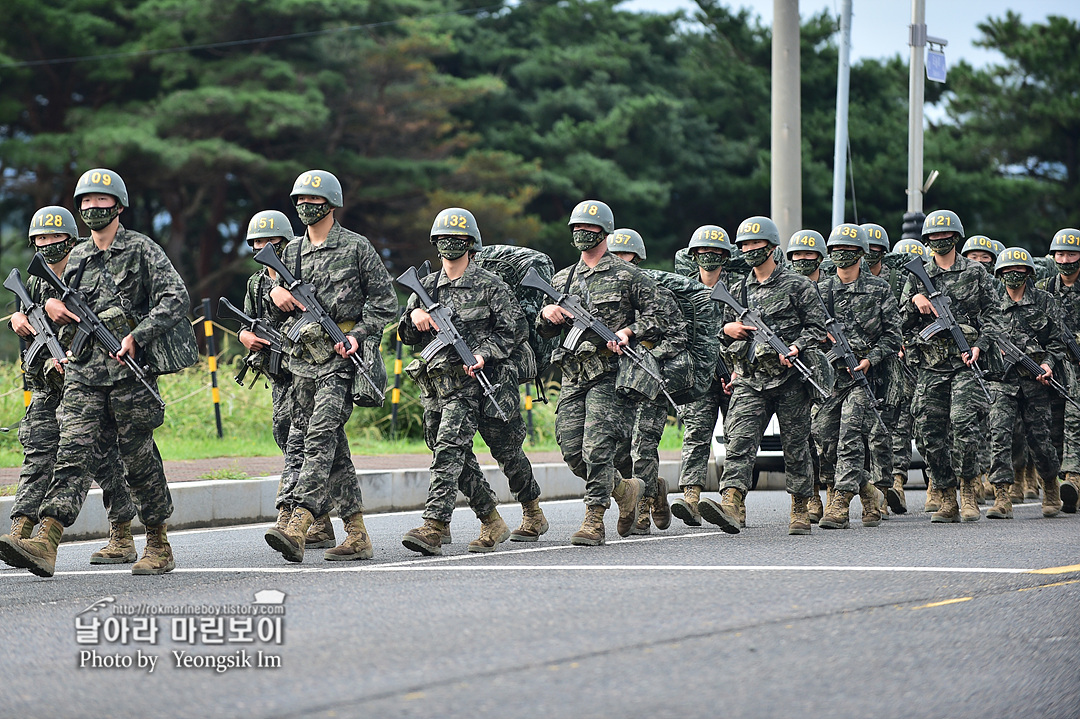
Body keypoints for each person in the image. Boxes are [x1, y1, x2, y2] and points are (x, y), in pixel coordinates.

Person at [0, 168, 192, 577]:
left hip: (129, 371)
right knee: (70, 453)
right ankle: (46, 540)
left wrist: (138, 335)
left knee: (137, 460)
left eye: (100, 201)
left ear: (118, 206)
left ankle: (158, 542)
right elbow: (60, 311)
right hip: (85, 373)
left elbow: (176, 297)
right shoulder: (80, 256)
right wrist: (54, 309)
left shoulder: (142, 250)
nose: (92, 208)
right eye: (85, 202)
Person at [265, 170, 396, 562]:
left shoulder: (356, 247)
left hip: (340, 359)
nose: (305, 205)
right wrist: (276, 293)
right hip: (301, 360)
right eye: (300, 199)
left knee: (321, 437)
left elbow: (386, 301)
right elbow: (269, 295)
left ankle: (299, 523)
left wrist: (361, 333)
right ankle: (356, 535)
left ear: (331, 204)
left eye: (313, 199)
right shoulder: (289, 252)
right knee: (330, 448)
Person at [4, 206, 137, 566]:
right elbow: (22, 310)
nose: (48, 244)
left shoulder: (90, 271)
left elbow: (108, 323)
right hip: (49, 385)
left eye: (55, 237)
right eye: (41, 239)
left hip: (91, 381)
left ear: (70, 238)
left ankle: (122, 534)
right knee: (38, 450)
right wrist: (18, 317)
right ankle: (21, 527)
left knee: (106, 459)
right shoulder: (35, 279)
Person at [537, 200, 667, 545]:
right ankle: (625, 490)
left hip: (609, 375)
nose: (583, 233)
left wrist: (628, 332)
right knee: (571, 450)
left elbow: (659, 318)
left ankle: (594, 519)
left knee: (598, 449)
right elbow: (544, 328)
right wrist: (548, 313)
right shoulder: (563, 278)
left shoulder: (629, 275)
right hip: (573, 374)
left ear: (604, 232)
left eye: (590, 229)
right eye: (577, 228)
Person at [399, 208, 527, 554]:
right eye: (442, 238)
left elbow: (514, 331)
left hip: (471, 383)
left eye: (456, 238)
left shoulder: (490, 285)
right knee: (445, 448)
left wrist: (485, 353)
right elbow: (406, 334)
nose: (449, 243)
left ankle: (435, 525)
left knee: (451, 450)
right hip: (435, 385)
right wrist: (415, 315)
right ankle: (491, 518)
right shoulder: (425, 286)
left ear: (470, 244)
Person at [705, 216, 828, 535]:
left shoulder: (797, 285)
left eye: (755, 244)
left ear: (772, 248)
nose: (749, 250)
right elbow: (724, 335)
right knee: (740, 440)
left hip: (790, 381)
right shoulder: (737, 289)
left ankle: (801, 506)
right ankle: (731, 502)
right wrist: (727, 330)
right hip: (750, 379)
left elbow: (817, 329)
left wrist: (798, 347)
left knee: (796, 446)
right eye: (744, 245)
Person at [239, 210, 337, 550]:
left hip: (308, 370)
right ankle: (321, 520)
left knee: (307, 443)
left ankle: (294, 514)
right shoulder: (256, 283)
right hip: (279, 372)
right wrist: (245, 338)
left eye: (272, 243)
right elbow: (248, 321)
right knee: (284, 433)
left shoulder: (300, 274)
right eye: (257, 243)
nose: (263, 248)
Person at [900, 209, 1002, 523]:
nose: (939, 242)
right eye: (933, 238)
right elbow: (900, 324)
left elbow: (996, 316)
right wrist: (915, 301)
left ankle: (969, 490)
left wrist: (978, 346)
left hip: (964, 364)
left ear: (956, 238)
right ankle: (945, 496)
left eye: (945, 237)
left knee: (964, 425)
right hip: (931, 364)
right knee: (929, 432)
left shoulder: (975, 272)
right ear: (926, 241)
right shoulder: (917, 273)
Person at [812, 224, 902, 529]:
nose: (841, 254)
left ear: (861, 253)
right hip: (831, 378)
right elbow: (808, 331)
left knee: (850, 435)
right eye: (835, 249)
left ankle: (839, 503)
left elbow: (893, 336)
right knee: (825, 438)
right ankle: (868, 492)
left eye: (847, 249)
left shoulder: (879, 289)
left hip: (867, 378)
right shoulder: (821, 291)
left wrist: (869, 358)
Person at [607, 227, 687, 534]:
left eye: (625, 255)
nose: (620, 260)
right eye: (614, 254)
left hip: (650, 383)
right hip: (614, 382)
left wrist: (649, 354)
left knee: (642, 446)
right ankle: (653, 489)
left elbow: (678, 334)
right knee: (618, 449)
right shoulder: (605, 297)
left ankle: (641, 509)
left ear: (637, 258)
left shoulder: (655, 293)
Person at [986, 248, 1067, 519]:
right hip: (1001, 381)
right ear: (999, 274)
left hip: (1034, 381)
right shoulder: (991, 302)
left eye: (1019, 270)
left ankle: (1049, 485)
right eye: (1008, 270)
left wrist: (1047, 364)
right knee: (999, 436)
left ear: (1029, 273)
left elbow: (1057, 342)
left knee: (1040, 440)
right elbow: (981, 335)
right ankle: (1002, 496)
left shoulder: (1044, 301)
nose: (1013, 274)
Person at [671, 225, 735, 527]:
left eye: (714, 252)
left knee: (736, 438)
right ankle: (691, 498)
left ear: (724, 256)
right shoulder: (684, 290)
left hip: (735, 373)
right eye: (702, 251)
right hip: (700, 374)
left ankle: (733, 502)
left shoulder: (739, 287)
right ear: (694, 255)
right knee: (696, 436)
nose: (708, 256)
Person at [785, 229, 830, 521]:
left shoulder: (831, 287)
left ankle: (854, 488)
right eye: (798, 255)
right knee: (805, 437)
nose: (803, 259)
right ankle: (811, 495)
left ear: (820, 257)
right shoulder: (787, 287)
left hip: (830, 373)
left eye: (809, 254)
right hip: (795, 372)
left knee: (828, 437)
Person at [1036, 227, 1080, 514]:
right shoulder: (1042, 289)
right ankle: (1056, 480)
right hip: (1051, 363)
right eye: (1060, 254)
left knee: (1076, 418)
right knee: (1051, 425)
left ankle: (1073, 478)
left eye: (1071, 254)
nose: (1065, 260)